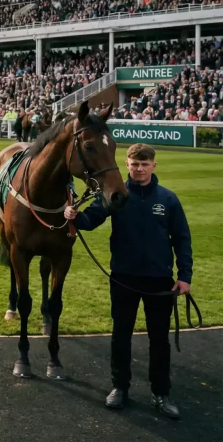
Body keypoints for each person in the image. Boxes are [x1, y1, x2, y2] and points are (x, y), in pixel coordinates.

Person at [64, 143, 192, 419]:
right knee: (121, 334)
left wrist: (185, 277)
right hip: (123, 277)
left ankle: (161, 393)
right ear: (127, 164)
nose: (139, 169)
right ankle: (119, 387)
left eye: (145, 164)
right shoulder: (116, 194)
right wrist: (75, 216)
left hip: (160, 281)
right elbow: (91, 219)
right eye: (134, 164)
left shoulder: (168, 199)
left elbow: (182, 239)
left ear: (153, 166)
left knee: (160, 340)